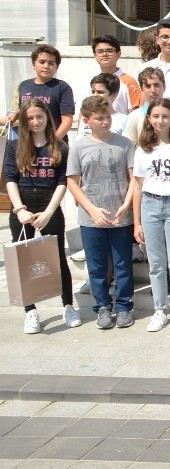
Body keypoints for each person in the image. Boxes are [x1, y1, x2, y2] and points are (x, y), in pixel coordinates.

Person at [5, 100, 78, 334]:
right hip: (23, 206)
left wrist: (48, 212)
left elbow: (62, 181)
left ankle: (68, 305)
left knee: (57, 258)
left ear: (47, 117)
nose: (35, 122)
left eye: (40, 117)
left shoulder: (60, 146)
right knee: (24, 260)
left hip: (49, 206)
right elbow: (10, 179)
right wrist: (19, 209)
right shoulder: (15, 146)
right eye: (30, 118)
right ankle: (30, 311)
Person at [66, 95, 136, 330]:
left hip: (120, 216)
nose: (105, 122)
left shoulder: (125, 144)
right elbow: (73, 183)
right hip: (91, 218)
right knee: (96, 266)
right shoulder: (79, 147)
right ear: (87, 120)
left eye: (107, 117)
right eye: (99, 118)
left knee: (123, 263)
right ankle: (103, 307)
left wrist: (126, 205)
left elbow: (134, 178)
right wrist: (92, 209)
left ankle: (125, 306)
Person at [132, 99, 170, 332]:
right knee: (156, 262)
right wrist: (137, 222)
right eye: (155, 116)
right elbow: (137, 187)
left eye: (165, 116)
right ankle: (160, 309)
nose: (160, 120)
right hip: (151, 205)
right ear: (149, 119)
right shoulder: (142, 150)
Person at [6, 44, 74, 140]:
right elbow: (18, 114)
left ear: (56, 67)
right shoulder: (23, 86)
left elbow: (67, 121)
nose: (46, 66)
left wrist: (54, 142)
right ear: (34, 64)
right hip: (27, 144)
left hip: (54, 143)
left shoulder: (62, 87)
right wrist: (15, 115)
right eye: (42, 62)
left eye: (51, 63)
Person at [92, 35, 140, 115]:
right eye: (100, 51)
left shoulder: (129, 82)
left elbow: (135, 113)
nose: (105, 54)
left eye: (109, 51)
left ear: (118, 54)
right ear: (95, 55)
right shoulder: (91, 81)